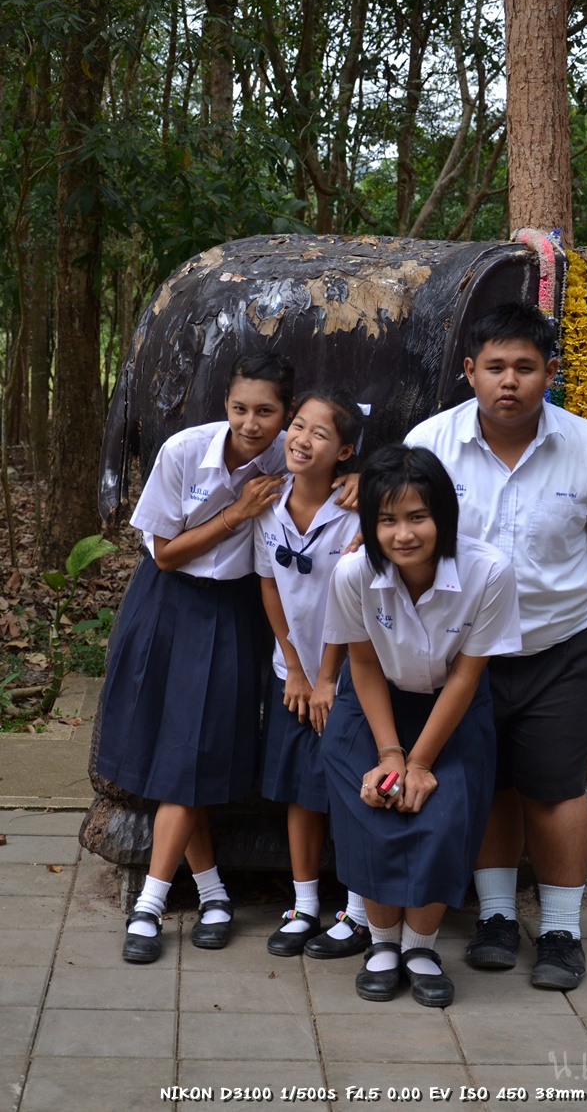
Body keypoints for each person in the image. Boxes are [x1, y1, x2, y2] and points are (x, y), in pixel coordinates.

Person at [405, 302, 587, 990]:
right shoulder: (431, 443)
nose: (508, 381)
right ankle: (495, 918)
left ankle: (563, 932)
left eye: (524, 367)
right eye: (494, 367)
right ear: (469, 370)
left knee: (554, 785)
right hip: (465, 649)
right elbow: (401, 532)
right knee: (488, 781)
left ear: (551, 372)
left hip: (564, 641)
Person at [97, 352, 293, 963]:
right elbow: (165, 553)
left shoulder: (289, 454)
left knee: (192, 752)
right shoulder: (185, 451)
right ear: (225, 404)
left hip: (235, 610)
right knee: (177, 753)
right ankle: (192, 897)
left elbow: (344, 469)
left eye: (266, 412)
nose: (251, 424)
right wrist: (238, 512)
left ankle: (170, 902)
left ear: (285, 413)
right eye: (240, 409)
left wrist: (357, 480)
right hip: (167, 601)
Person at [321, 444, 521, 1007]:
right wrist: (390, 755)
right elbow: (362, 665)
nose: (403, 534)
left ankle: (421, 948)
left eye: (418, 517)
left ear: (444, 517)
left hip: (451, 707)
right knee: (375, 808)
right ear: (370, 523)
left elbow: (466, 675)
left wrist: (421, 762)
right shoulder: (353, 573)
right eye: (387, 520)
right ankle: (383, 944)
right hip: (372, 704)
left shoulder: (488, 571)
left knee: (443, 815)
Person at [255, 387, 372, 959]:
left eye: (320, 433)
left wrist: (326, 679)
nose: (302, 439)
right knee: (299, 789)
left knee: (351, 789)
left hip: (348, 677)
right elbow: (270, 587)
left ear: (344, 452)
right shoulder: (268, 503)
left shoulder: (355, 513)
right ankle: (304, 907)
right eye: (297, 426)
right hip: (293, 673)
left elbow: (349, 602)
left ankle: (359, 912)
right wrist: (297, 672)